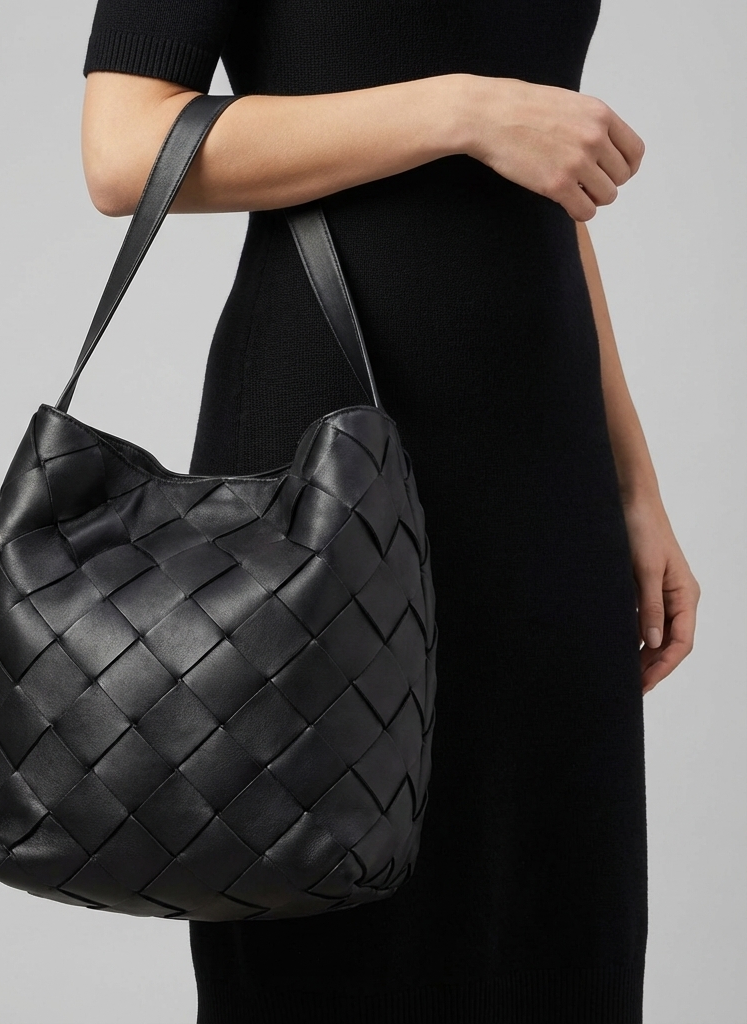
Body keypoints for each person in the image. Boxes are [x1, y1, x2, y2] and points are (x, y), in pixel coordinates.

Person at [79, 2, 700, 1021]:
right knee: (331, 936)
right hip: (322, 445)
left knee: (553, 932)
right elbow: (124, 150)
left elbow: (545, 187)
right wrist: (460, 112)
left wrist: (634, 484)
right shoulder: (462, 108)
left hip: (547, 462)